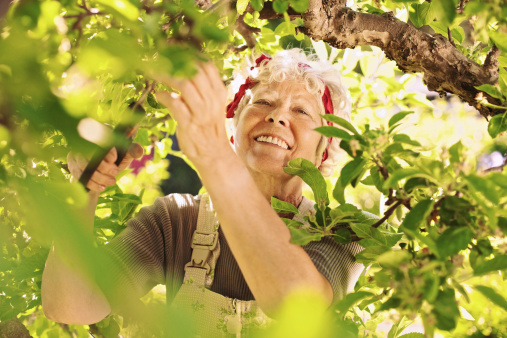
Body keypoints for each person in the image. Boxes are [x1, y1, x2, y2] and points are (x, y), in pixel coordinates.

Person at [41, 48, 364, 336]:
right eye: (263, 101)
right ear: (234, 127)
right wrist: (85, 186)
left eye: (302, 111)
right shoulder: (176, 220)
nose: (277, 115)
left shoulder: (347, 230)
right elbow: (73, 306)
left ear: (325, 148)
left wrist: (213, 155)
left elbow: (295, 305)